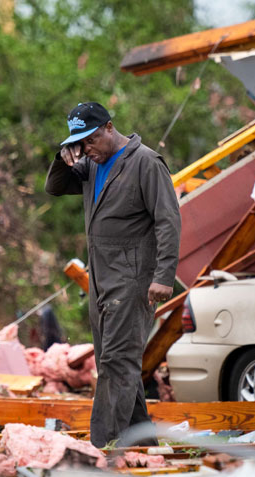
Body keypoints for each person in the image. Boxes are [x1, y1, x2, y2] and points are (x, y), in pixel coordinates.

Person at [45, 102, 181, 448]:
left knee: (116, 365)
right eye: (80, 143)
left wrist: (164, 275)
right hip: (101, 280)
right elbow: (55, 188)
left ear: (108, 127)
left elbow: (168, 221)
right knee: (117, 363)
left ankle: (102, 448)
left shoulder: (145, 163)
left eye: (90, 140)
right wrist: (64, 156)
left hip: (133, 279)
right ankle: (143, 441)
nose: (87, 149)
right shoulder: (92, 165)